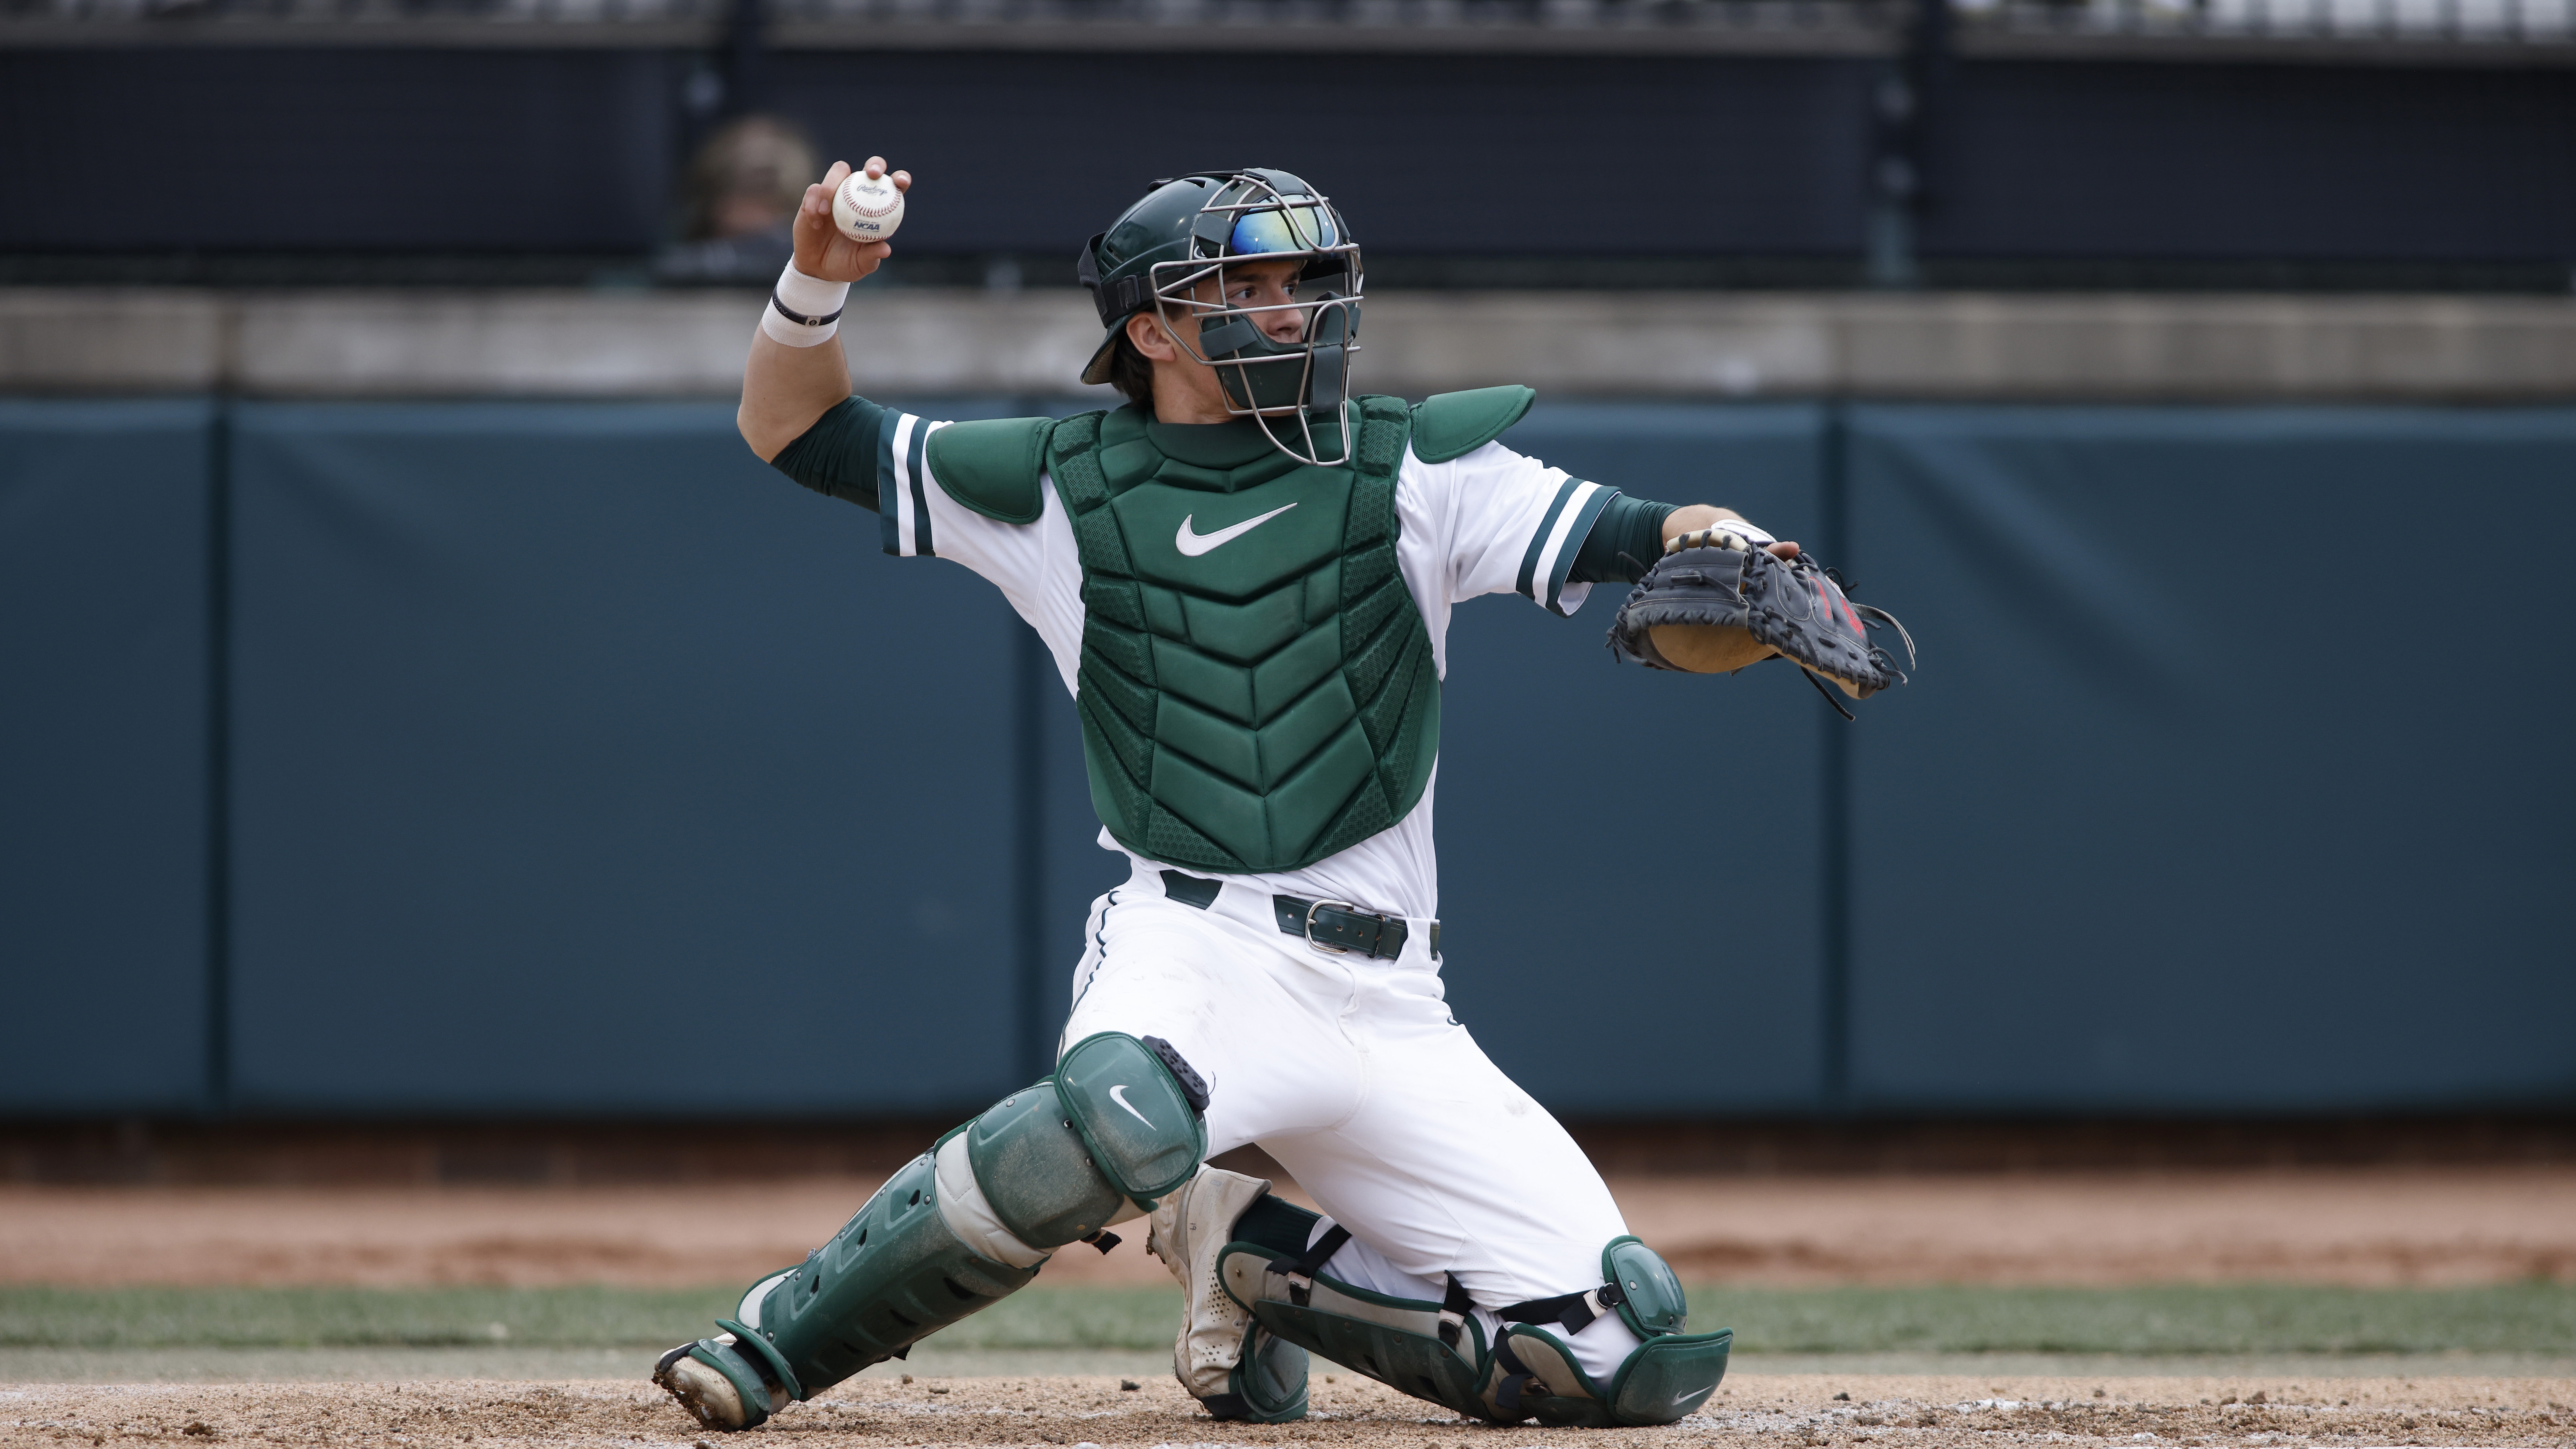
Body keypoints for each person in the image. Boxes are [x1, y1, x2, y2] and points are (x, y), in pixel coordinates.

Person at [653, 159, 1799, 1433]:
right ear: (1149, 328)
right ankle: (778, 1337)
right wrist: (817, 281)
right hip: (1203, 945)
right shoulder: (1059, 480)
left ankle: (1252, 1257)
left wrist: (1737, 544)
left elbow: (1650, 530)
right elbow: (798, 434)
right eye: (1241, 286)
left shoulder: (1416, 463)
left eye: (1306, 281)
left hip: (1396, 1005)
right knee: (1106, 1127)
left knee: (1623, 1360)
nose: (1291, 309)